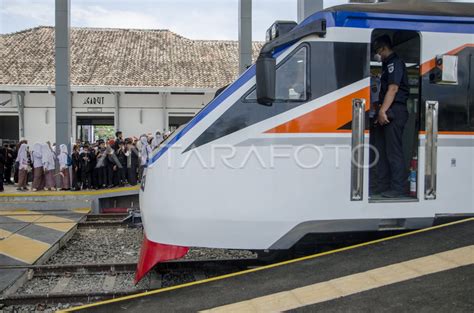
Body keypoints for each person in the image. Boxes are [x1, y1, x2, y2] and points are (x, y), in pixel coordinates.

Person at [372, 35, 409, 198]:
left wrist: (382, 111)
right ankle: (382, 185)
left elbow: (393, 89)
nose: (377, 55)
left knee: (393, 152)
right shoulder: (387, 65)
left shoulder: (395, 63)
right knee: (381, 150)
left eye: (378, 51)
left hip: (394, 110)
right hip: (387, 110)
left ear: (384, 48)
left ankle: (398, 188)